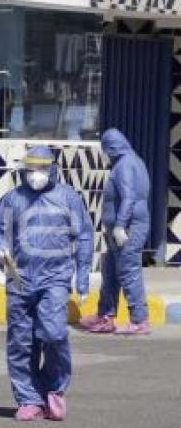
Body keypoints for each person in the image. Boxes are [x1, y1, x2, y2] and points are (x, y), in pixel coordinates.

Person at [0, 146, 94, 421]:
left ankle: (54, 390)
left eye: (42, 169)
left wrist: (82, 278)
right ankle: (29, 399)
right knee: (20, 342)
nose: (36, 175)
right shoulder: (13, 199)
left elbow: (83, 236)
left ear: (53, 168)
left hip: (55, 278)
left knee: (54, 333)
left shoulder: (68, 198)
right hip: (19, 279)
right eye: (31, 169)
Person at [80, 129, 151, 335]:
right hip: (120, 227)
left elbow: (128, 197)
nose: (105, 153)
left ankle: (140, 320)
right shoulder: (132, 161)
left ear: (111, 146)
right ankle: (106, 316)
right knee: (111, 271)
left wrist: (120, 225)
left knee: (129, 271)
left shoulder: (125, 165)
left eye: (105, 149)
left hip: (127, 227)